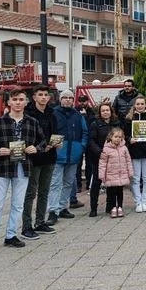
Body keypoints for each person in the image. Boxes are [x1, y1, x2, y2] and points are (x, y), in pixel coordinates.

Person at [0, 89, 46, 254]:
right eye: (14, 99)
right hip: (3, 167)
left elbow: (43, 141)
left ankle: (11, 235)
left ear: (26, 102)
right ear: (8, 102)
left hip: (23, 167)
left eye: (21, 99)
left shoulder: (32, 122)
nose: (17, 102)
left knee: (18, 204)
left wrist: (35, 148)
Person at [21, 85, 59, 241]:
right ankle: (26, 226)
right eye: (40, 95)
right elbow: (26, 136)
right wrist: (39, 147)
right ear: (34, 97)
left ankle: (40, 222)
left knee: (44, 191)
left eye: (46, 95)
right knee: (31, 192)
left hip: (50, 156)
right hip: (34, 158)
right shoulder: (28, 114)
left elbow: (54, 132)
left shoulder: (52, 112)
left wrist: (56, 143)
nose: (43, 97)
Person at [47, 89, 88, 225]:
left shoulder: (78, 116)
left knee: (69, 183)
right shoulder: (53, 113)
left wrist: (81, 147)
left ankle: (63, 207)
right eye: (65, 97)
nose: (68, 100)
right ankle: (53, 211)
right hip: (58, 155)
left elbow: (84, 133)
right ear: (60, 99)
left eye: (70, 98)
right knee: (55, 183)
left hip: (74, 155)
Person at [87, 103, 122, 216]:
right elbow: (91, 140)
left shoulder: (116, 124)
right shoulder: (95, 124)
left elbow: (120, 139)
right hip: (99, 157)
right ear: (100, 113)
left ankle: (110, 206)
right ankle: (93, 208)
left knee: (111, 183)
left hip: (112, 158)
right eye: (103, 110)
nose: (106, 112)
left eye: (107, 110)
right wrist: (99, 151)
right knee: (96, 183)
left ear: (111, 112)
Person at [98, 127, 133, 218]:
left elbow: (128, 160)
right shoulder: (106, 149)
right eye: (116, 136)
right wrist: (102, 175)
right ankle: (113, 207)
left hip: (121, 174)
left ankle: (120, 206)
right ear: (111, 137)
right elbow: (102, 163)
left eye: (120, 137)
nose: (118, 139)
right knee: (111, 193)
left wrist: (130, 172)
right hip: (111, 175)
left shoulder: (124, 148)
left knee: (120, 191)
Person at [75, 94, 96, 193]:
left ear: (87, 101)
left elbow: (91, 125)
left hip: (89, 140)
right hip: (78, 140)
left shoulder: (92, 111)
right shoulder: (75, 110)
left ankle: (88, 184)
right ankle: (78, 185)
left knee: (89, 164)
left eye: (84, 101)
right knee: (78, 164)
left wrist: (85, 116)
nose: (82, 103)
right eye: (80, 101)